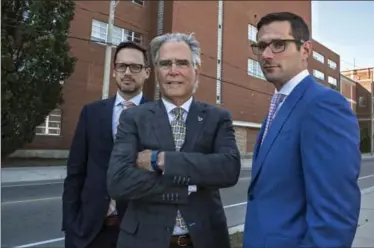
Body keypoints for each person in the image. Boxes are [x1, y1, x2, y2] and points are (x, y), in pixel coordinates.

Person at [107, 32, 241, 248]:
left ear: (196, 70)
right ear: (156, 72)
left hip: (205, 240)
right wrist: (190, 184)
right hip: (144, 241)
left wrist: (160, 160)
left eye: (182, 63)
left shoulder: (217, 118)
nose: (173, 71)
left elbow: (229, 169)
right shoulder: (134, 117)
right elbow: (118, 182)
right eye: (165, 63)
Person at [243, 12, 361, 248]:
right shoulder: (279, 105)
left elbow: (334, 218)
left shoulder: (324, 105)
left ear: (305, 50)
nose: (266, 54)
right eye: (261, 46)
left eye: (278, 45)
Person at [62, 41, 150, 248]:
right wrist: (71, 226)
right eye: (122, 66)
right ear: (114, 71)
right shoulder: (91, 113)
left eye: (135, 67)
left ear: (146, 72)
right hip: (91, 231)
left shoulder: (159, 116)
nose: (127, 72)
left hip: (140, 232)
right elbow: (75, 174)